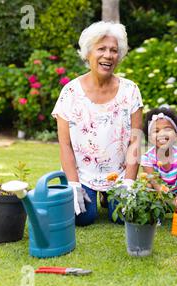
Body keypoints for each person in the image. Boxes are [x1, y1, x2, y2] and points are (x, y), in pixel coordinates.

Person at [51, 21, 143, 226]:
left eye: (114, 50)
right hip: (83, 174)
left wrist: (128, 182)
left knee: (122, 217)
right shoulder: (70, 92)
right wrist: (73, 184)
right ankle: (92, 194)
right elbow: (65, 144)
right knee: (83, 217)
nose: (108, 55)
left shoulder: (131, 91)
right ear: (88, 53)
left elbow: (135, 141)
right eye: (101, 49)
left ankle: (109, 196)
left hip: (118, 175)